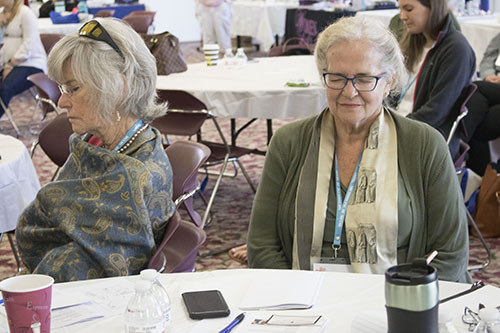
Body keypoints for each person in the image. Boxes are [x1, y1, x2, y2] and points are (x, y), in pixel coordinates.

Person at [247, 16, 470, 282]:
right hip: (304, 300)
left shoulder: (424, 145)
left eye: (364, 79)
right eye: (337, 78)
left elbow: (450, 253)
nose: (349, 92)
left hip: (399, 299)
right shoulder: (288, 142)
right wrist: (295, 300)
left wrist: (403, 305)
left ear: (388, 82)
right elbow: (262, 245)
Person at [16, 19, 176, 282]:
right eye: (62, 88)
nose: (62, 101)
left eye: (73, 88)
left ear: (118, 89)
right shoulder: (97, 142)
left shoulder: (135, 175)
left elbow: (86, 271)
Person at [397, 0, 475, 158]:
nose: (402, 16)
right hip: (404, 125)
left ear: (433, 7)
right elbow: (392, 90)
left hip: (425, 137)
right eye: (400, 9)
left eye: (409, 9)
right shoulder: (414, 42)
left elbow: (435, 112)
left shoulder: (456, 49)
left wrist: (394, 128)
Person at [0, 0, 46, 119]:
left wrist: (11, 65)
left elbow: (28, 44)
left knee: (6, 87)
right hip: (6, 62)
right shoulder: (1, 13)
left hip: (30, 63)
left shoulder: (25, 13)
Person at [463, 32, 500, 175]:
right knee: (475, 96)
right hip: (494, 85)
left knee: (475, 91)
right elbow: (490, 55)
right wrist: (488, 74)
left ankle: (456, 149)